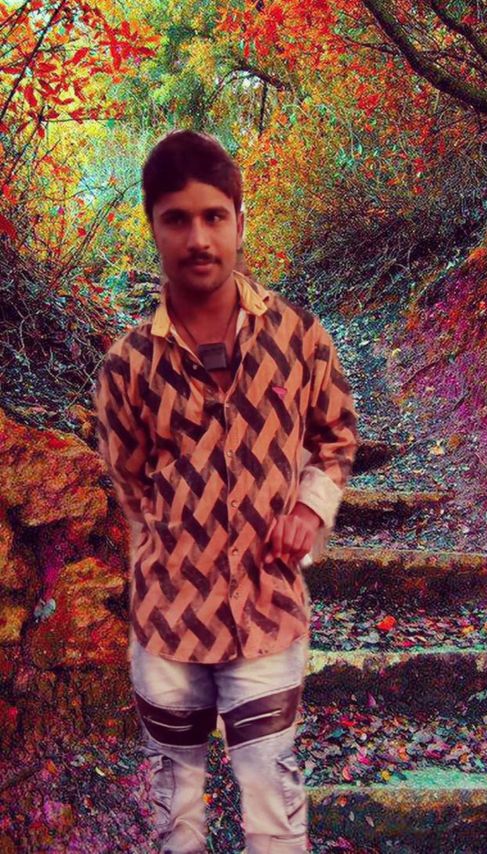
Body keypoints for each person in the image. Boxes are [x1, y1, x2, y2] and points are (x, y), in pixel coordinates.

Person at [91, 129, 359, 854]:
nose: (199, 238)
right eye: (177, 219)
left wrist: (308, 506)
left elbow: (336, 438)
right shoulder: (126, 366)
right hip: (167, 625)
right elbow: (129, 487)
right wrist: (183, 542)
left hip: (267, 613)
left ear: (240, 219)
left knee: (272, 804)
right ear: (153, 227)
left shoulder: (300, 338)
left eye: (214, 216)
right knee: (174, 811)